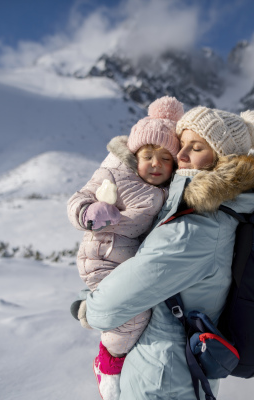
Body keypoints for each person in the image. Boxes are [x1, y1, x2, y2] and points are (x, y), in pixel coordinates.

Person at [72, 105, 254, 399]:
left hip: (163, 376)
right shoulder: (201, 211)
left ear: (222, 159)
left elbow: (113, 305)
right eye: (182, 145)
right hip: (174, 369)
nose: (180, 155)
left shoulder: (199, 226)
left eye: (195, 148)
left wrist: (89, 306)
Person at [67, 96, 184, 399]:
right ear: (135, 154)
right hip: (101, 255)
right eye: (148, 155)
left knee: (137, 313)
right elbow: (79, 198)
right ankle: (107, 366)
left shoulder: (167, 191)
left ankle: (92, 310)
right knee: (133, 315)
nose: (156, 164)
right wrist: (87, 213)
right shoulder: (115, 173)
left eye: (165, 158)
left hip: (127, 262)